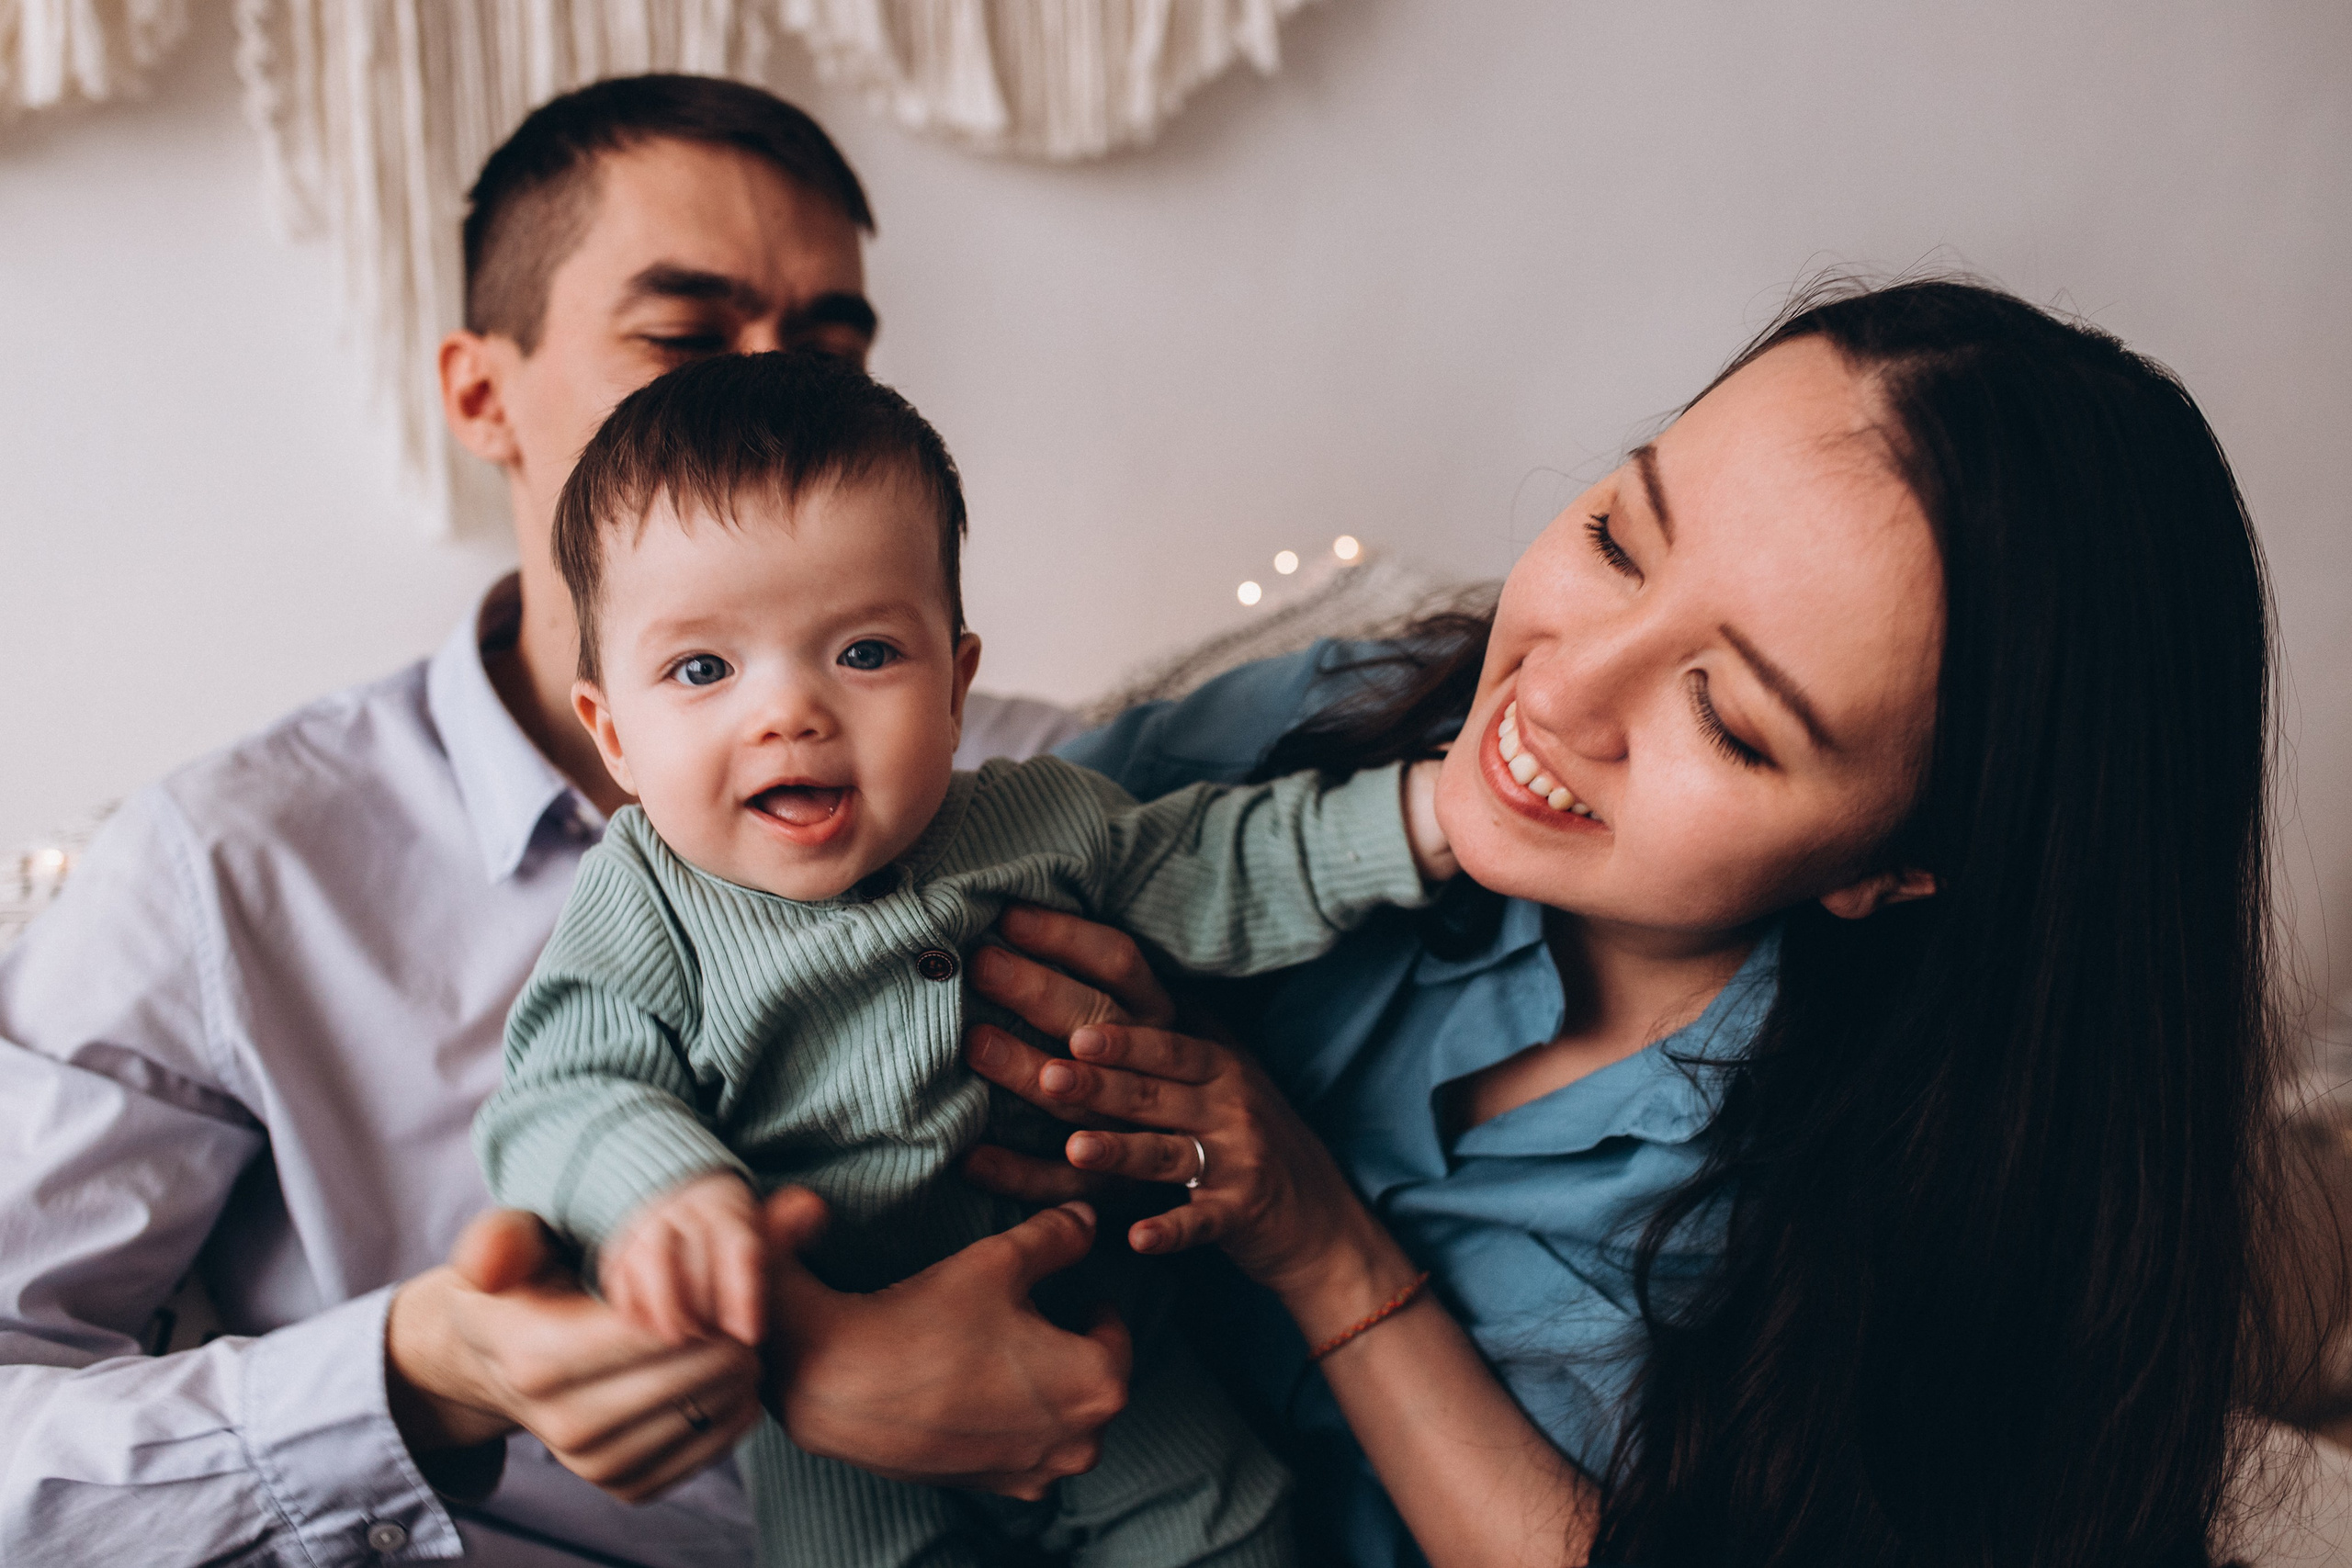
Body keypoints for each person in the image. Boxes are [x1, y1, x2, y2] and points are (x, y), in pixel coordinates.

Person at [959, 278, 2286, 1565]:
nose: (1561, 688)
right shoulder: (1335, 724)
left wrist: (1322, 1242)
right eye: (1616, 541)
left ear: (1903, 869)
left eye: (1727, 717)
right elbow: (860, 921)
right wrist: (833, 1353)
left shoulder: (1894, 1246)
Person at [0, 76, 1121, 1568]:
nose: (761, 399)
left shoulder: (1054, 791)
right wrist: (421, 1377)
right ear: (481, 395)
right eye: (682, 339)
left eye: (829, 350)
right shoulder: (225, 871)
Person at [479, 349, 1459, 1565]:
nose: (789, 711)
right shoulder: (648, 907)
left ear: (956, 683)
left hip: (1108, 1341)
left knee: (1232, 1525)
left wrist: (1426, 819)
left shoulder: (1040, 823)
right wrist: (663, 1197)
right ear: (611, 731)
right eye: (703, 669)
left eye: (867, 653)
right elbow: (564, 1091)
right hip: (838, 1428)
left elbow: (1223, 860)